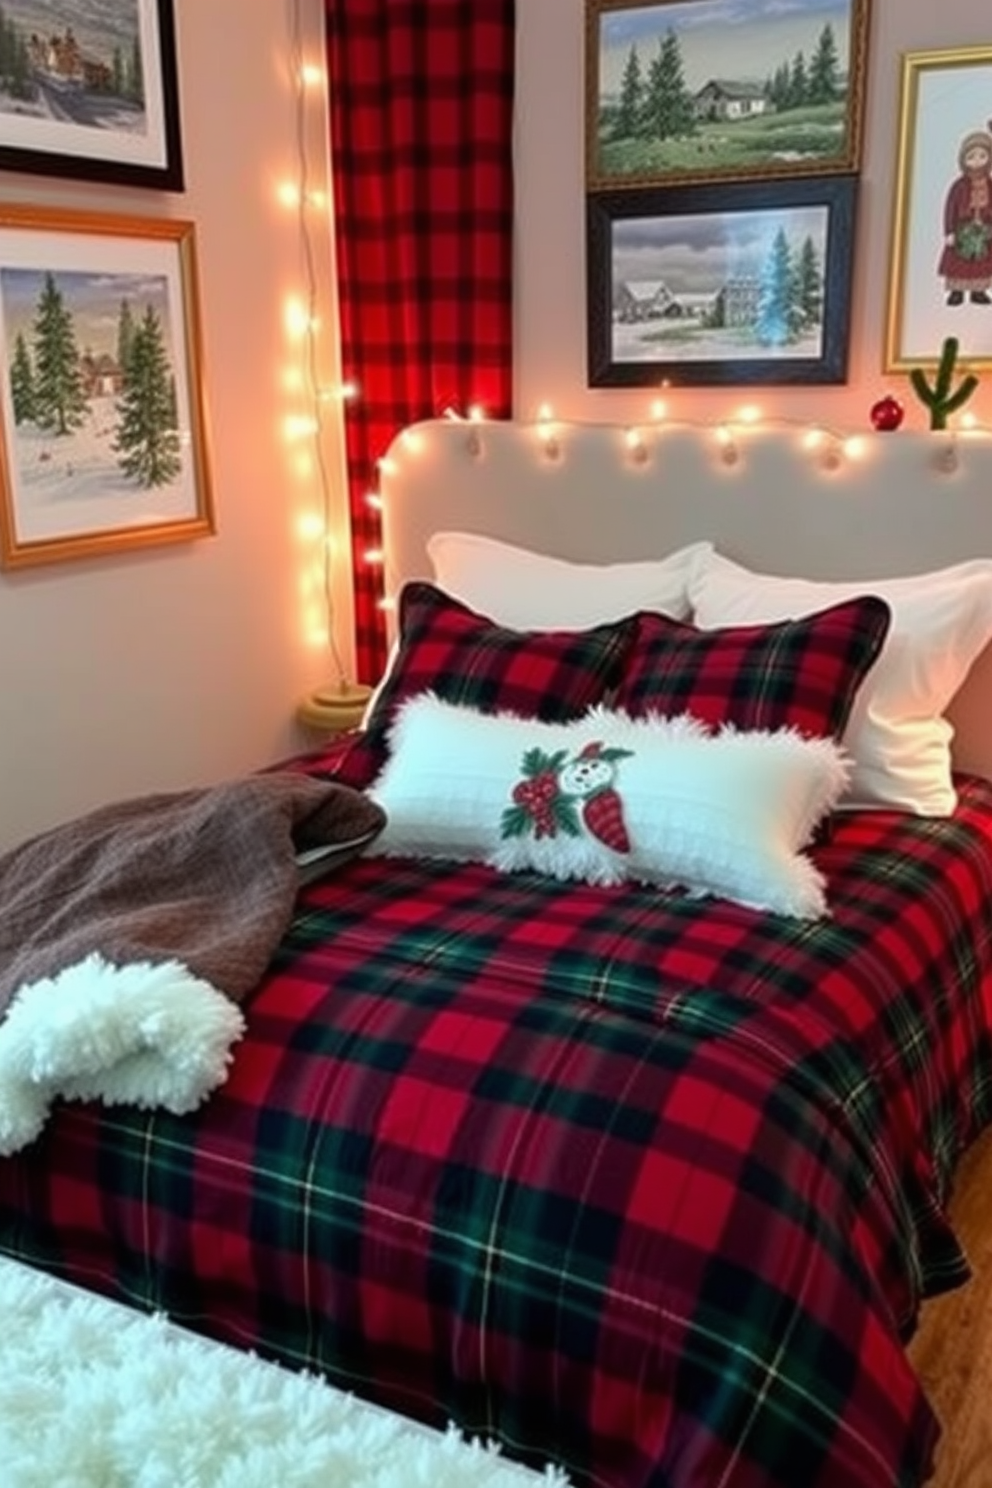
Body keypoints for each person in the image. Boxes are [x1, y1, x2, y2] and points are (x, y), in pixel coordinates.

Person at [938, 124, 992, 306]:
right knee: (959, 263)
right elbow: (950, 208)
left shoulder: (990, 184)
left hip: (983, 230)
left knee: (981, 264)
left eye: (982, 156)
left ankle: (979, 291)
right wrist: (949, 231)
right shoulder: (959, 186)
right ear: (964, 159)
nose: (977, 161)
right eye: (972, 157)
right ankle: (956, 291)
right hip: (962, 231)